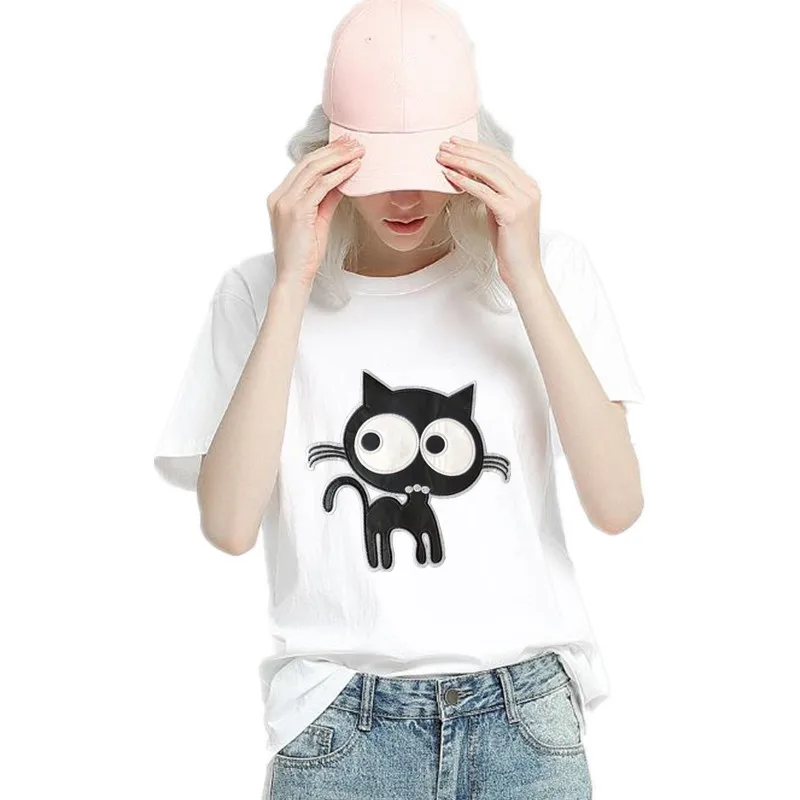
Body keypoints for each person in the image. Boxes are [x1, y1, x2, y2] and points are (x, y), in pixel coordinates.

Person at [152, 0, 645, 797]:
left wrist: (523, 275)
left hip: (525, 720)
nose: (407, 198)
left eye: (431, 168)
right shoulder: (256, 291)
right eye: (382, 171)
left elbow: (617, 504)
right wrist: (291, 286)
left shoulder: (550, 268)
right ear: (329, 153)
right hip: (341, 726)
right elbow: (229, 525)